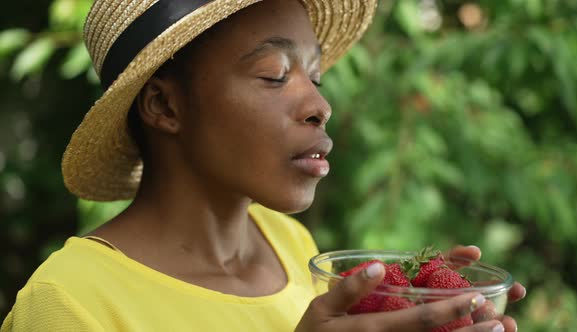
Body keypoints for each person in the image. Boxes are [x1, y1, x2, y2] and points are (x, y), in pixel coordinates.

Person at [1, 0, 525, 331]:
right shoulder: (68, 302)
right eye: (274, 74)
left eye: (315, 77)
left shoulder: (292, 246)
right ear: (164, 106)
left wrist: (422, 311)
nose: (320, 106)